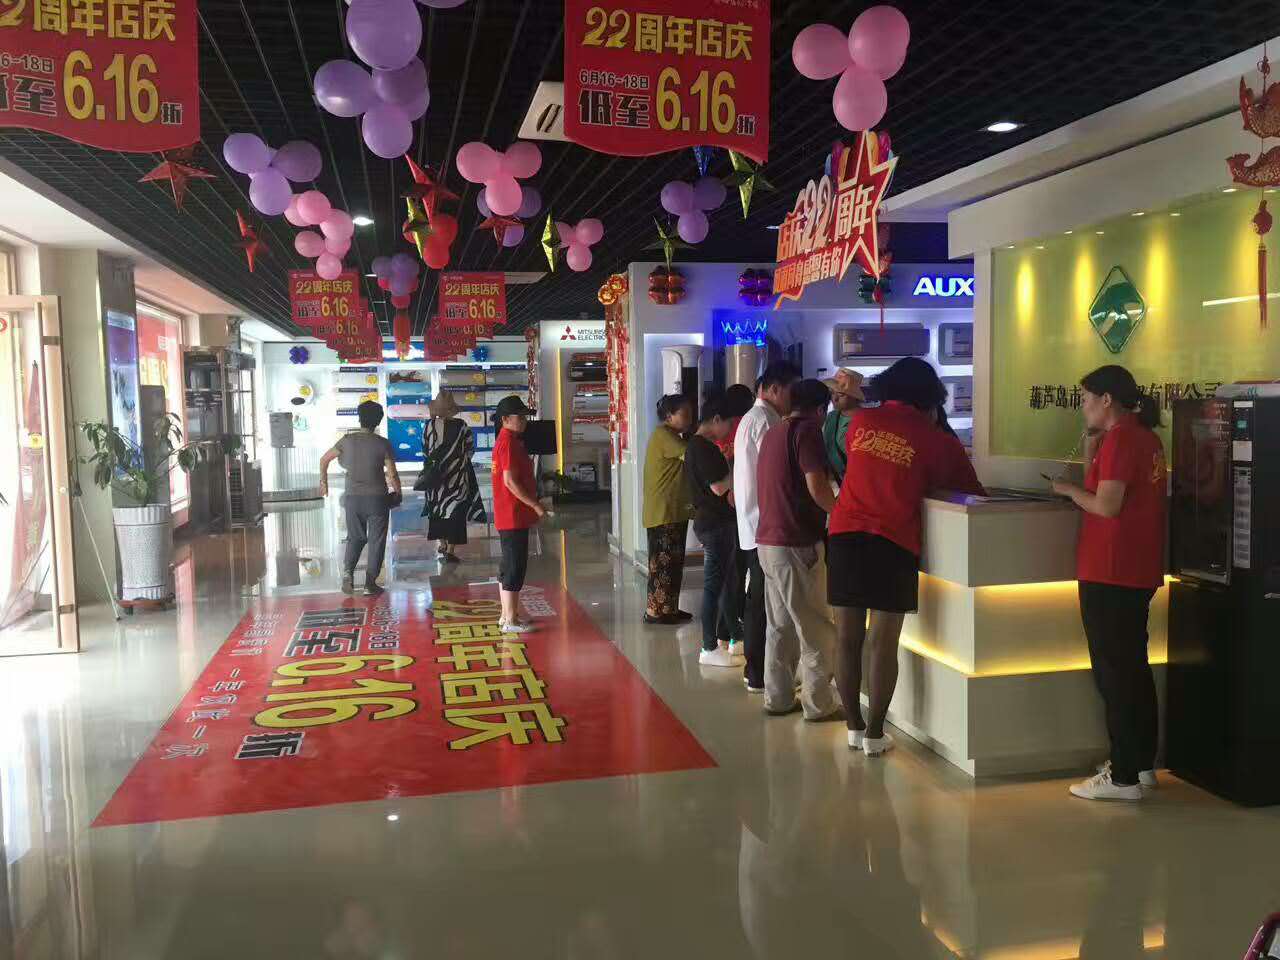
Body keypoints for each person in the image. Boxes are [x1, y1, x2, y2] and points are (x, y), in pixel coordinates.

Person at [828, 358, 985, 756]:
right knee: (883, 642)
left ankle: (852, 726)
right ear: (930, 395)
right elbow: (971, 491)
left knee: (846, 638)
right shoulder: (935, 439)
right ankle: (875, 734)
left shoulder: (861, 422)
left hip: (844, 533)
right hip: (892, 540)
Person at [1051, 365, 1166, 802]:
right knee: (1133, 669)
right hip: (1135, 568)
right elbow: (1105, 490)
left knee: (1114, 675)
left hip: (1111, 570)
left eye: (1086, 399)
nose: (1083, 407)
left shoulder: (1122, 440)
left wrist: (1066, 490)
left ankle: (1122, 778)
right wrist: (1089, 451)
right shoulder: (1144, 437)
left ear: (1106, 400)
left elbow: (1106, 506)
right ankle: (1139, 765)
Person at [755, 378, 842, 720]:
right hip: (796, 542)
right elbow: (817, 487)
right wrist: (842, 512)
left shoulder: (774, 432)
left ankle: (777, 698)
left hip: (768, 542)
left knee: (780, 627)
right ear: (821, 409)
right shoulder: (807, 432)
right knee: (815, 627)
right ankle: (819, 705)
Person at [733, 361, 800, 692]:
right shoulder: (766, 421)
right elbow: (775, 474)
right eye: (791, 390)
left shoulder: (754, 418)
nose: (793, 398)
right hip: (764, 523)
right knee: (762, 600)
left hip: (754, 523)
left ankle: (756, 669)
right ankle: (757, 670)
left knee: (758, 597)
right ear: (774, 389)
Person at [683, 394, 745, 667]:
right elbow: (719, 487)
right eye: (728, 424)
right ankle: (708, 646)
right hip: (715, 523)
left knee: (728, 583)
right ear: (716, 419)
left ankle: (734, 637)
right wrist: (740, 470)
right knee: (714, 587)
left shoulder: (699, 446)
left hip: (716, 522)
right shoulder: (702, 448)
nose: (729, 431)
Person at [319, 400, 402, 597]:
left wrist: (324, 483)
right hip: (377, 499)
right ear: (378, 421)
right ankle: (370, 583)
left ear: (359, 418)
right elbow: (392, 474)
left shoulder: (346, 440)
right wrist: (398, 492)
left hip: (353, 499)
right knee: (376, 541)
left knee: (355, 538)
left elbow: (324, 459)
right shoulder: (383, 444)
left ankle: (348, 574)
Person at [491, 395, 544, 634]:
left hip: (510, 514)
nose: (523, 421)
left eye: (525, 417)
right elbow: (510, 482)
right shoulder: (509, 443)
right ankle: (511, 620)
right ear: (505, 419)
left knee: (509, 565)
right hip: (513, 514)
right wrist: (535, 505)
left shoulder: (508, 440)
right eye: (519, 417)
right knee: (514, 566)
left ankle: (507, 614)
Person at [642, 394, 696, 624]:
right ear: (669, 416)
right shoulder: (664, 435)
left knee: (672, 562)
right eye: (685, 414)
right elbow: (693, 455)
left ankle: (669, 608)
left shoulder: (672, 436)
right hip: (664, 511)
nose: (690, 418)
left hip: (671, 510)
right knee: (663, 564)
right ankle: (655, 612)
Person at [420, 391, 484, 563]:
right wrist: (458, 462)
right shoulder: (462, 425)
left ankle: (442, 543)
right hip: (457, 477)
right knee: (456, 510)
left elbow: (425, 450)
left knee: (437, 509)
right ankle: (450, 549)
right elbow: (470, 449)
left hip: (435, 478)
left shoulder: (428, 426)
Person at [821, 368, 865, 484]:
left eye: (841, 394)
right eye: (832, 393)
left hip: (857, 480)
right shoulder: (831, 417)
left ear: (854, 397)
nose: (834, 398)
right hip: (835, 480)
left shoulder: (865, 421)